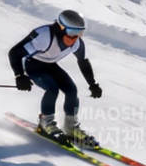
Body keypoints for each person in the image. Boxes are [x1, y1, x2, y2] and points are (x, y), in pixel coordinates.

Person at [9, 9, 103, 146]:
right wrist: (20, 76)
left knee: (72, 90)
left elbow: (82, 62)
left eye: (79, 33)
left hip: (51, 65)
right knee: (52, 89)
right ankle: (46, 123)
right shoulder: (44, 36)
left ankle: (71, 128)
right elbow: (15, 53)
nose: (75, 37)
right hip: (33, 66)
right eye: (72, 32)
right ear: (60, 28)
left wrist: (92, 84)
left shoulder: (77, 43)